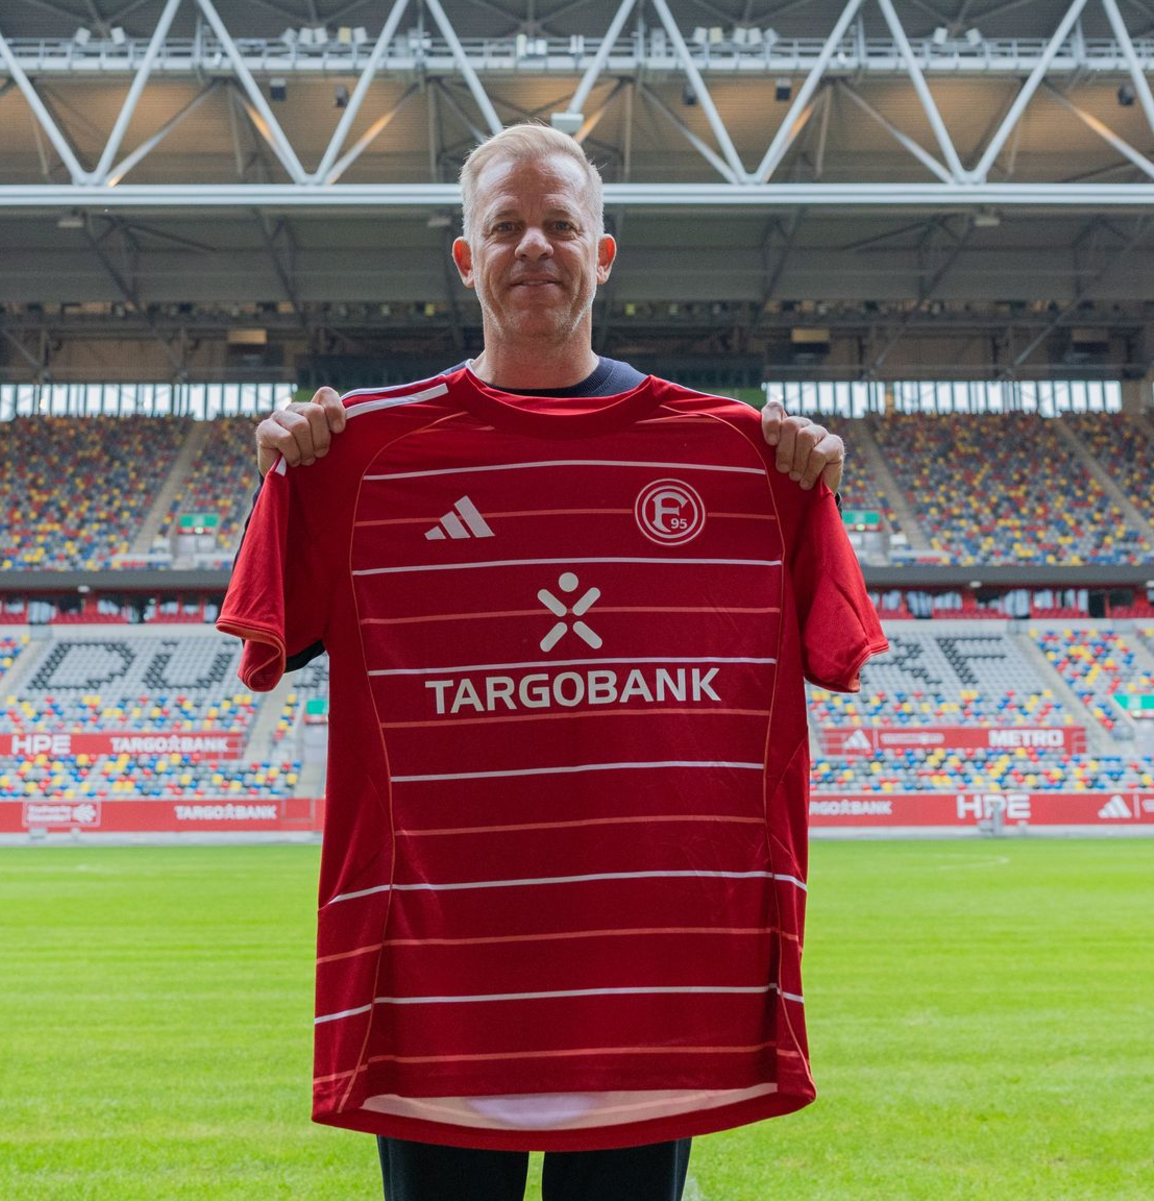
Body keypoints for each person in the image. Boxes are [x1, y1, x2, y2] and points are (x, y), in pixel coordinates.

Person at [225, 123, 883, 1201]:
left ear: (604, 252)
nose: (535, 246)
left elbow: (836, 647)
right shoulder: (357, 457)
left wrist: (802, 479)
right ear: (466, 257)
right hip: (439, 1000)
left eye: (561, 223)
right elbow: (270, 636)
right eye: (506, 226)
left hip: (647, 989)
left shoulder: (744, 458)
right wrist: (288, 471)